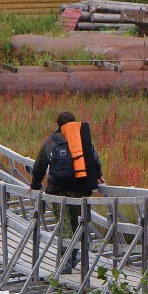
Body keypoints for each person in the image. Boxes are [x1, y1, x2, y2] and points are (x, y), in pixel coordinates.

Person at [29, 111, 104, 271]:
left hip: (58, 191)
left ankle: (66, 262)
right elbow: (94, 159)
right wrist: (98, 176)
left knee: (63, 225)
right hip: (80, 189)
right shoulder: (82, 139)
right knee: (78, 223)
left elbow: (40, 165)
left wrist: (35, 185)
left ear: (59, 125)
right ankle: (75, 255)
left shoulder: (52, 141)